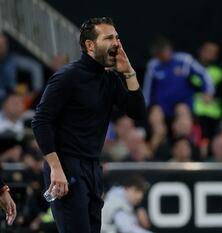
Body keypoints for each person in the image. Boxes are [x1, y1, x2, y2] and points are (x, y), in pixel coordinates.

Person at [31, 17, 146, 233]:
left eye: (117, 38)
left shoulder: (109, 80)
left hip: (92, 166)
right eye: (109, 38)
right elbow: (40, 121)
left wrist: (129, 72)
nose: (116, 44)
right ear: (90, 45)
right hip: (66, 166)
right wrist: (55, 168)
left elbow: (138, 112)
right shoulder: (67, 77)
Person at [143, 37, 214, 119]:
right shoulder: (153, 65)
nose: (166, 54)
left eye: (167, 50)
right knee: (155, 116)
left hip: (182, 102)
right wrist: (145, 105)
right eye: (161, 54)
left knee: (183, 114)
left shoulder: (184, 60)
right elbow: (147, 89)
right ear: (157, 55)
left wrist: (208, 91)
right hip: (161, 105)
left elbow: (203, 73)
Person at [192, 42, 222, 139]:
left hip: (213, 115)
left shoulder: (218, 72)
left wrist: (212, 95)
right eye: (207, 51)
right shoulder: (191, 69)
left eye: (213, 52)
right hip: (195, 114)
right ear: (200, 51)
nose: (209, 54)